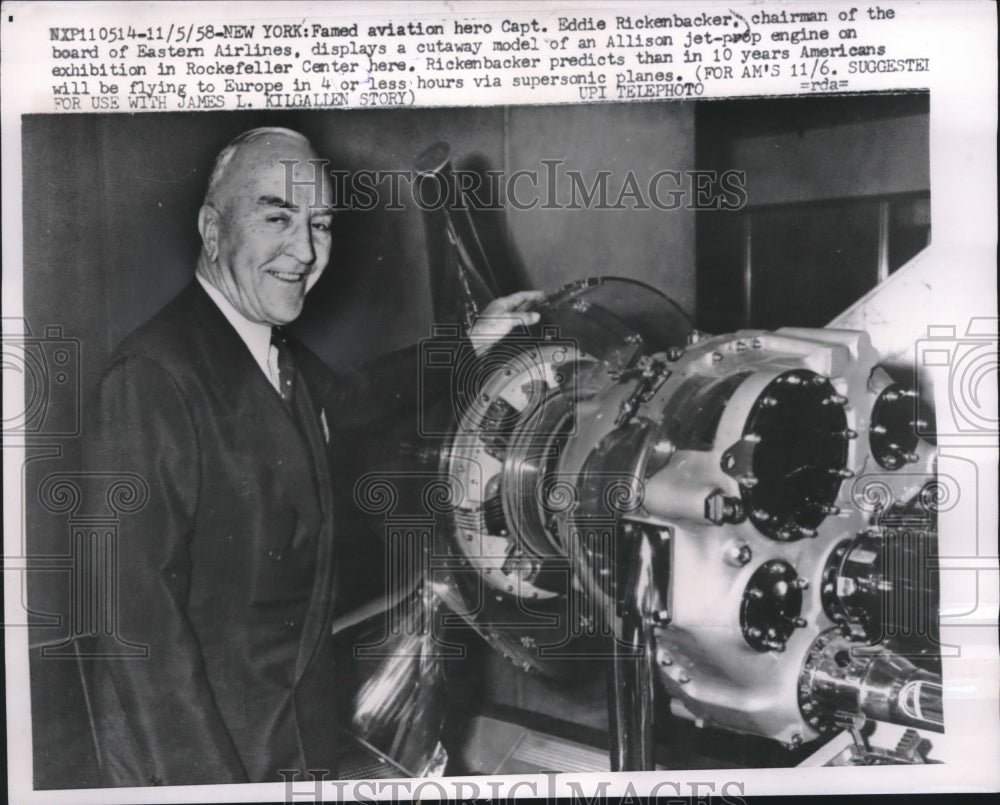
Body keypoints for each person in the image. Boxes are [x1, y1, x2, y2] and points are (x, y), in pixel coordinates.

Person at [80, 127, 542, 786]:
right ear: (213, 230)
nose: (303, 250)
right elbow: (140, 639)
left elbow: (357, 401)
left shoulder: (272, 355)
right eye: (277, 217)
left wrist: (468, 346)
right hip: (200, 765)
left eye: (320, 224)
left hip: (290, 745)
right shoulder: (151, 377)